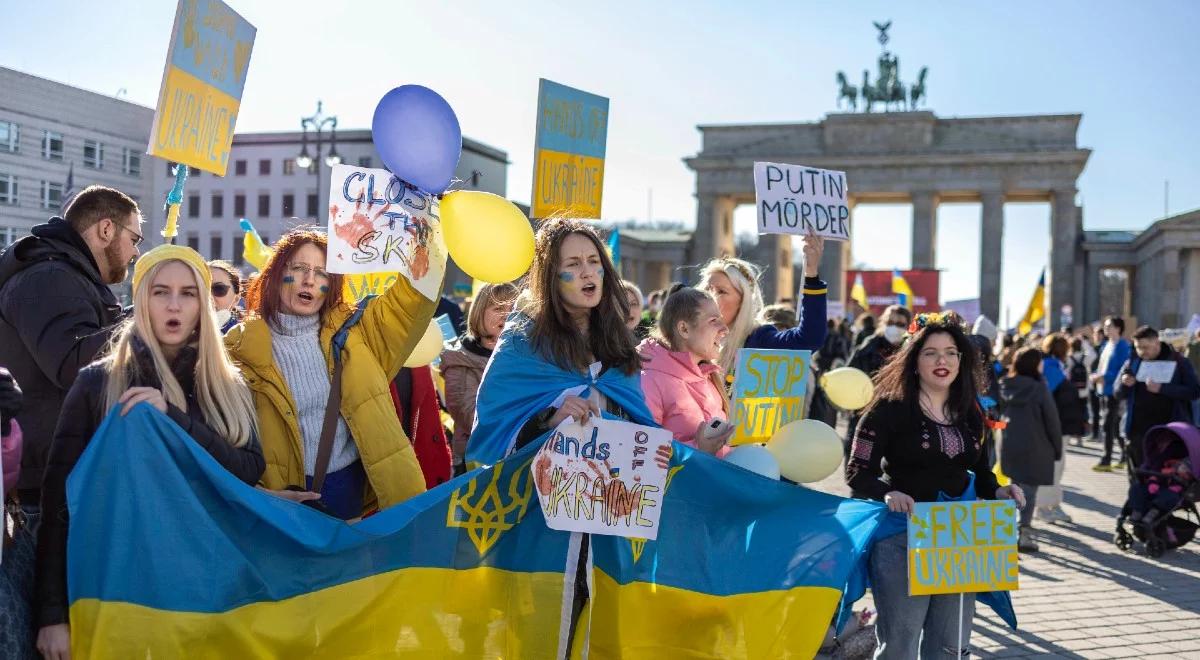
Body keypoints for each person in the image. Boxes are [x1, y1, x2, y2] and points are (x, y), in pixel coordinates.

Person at [35, 245, 264, 659]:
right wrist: (52, 615)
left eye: (188, 293)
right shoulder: (97, 383)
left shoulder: (230, 385)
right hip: (123, 594)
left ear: (202, 303)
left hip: (212, 596)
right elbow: (60, 505)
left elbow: (247, 471)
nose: (174, 305)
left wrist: (173, 421)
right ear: (142, 300)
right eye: (160, 292)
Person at [466, 218, 667, 652]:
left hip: (610, 524)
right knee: (540, 628)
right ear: (550, 276)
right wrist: (547, 418)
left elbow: (639, 422)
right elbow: (493, 426)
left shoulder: (617, 340)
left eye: (594, 262)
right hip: (542, 526)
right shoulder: (522, 340)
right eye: (573, 264)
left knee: (601, 626)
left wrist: (658, 450)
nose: (588, 272)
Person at [0, 185, 140, 657]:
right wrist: (146, 322)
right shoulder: (46, 277)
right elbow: (73, 361)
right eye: (134, 239)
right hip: (40, 497)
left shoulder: (66, 276)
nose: (136, 251)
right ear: (106, 230)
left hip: (58, 486)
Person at [845, 311, 1024, 657]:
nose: (942, 361)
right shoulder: (886, 410)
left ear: (962, 361)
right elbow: (856, 471)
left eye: (950, 353)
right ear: (914, 361)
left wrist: (1001, 490)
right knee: (900, 642)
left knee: (951, 642)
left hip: (958, 538)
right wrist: (888, 493)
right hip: (903, 536)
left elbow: (982, 472)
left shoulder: (971, 412)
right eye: (931, 353)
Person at [225, 229, 435, 520]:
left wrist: (427, 236)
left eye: (322, 273)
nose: (310, 279)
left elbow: (411, 301)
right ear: (276, 273)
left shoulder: (357, 331)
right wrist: (262, 496)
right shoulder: (237, 348)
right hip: (281, 513)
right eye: (299, 268)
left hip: (351, 507)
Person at [698, 234, 827, 376]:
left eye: (721, 292)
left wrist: (811, 273)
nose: (710, 297)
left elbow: (808, 339)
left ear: (743, 302)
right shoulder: (691, 339)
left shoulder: (759, 340)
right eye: (707, 289)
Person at [640, 287, 733, 457]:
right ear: (684, 329)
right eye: (714, 320)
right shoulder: (650, 379)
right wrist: (698, 449)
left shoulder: (710, 377)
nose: (725, 329)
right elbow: (642, 452)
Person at [441, 282, 517, 474]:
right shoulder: (458, 360)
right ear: (479, 312)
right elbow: (470, 417)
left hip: (520, 458)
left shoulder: (526, 355)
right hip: (476, 463)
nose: (507, 314)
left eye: (513, 308)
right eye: (498, 308)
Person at [998, 347, 1062, 552]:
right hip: (1036, 445)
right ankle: (1023, 531)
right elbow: (1051, 420)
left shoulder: (1005, 385)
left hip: (1009, 443)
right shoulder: (1039, 388)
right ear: (1035, 365)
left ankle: (1009, 530)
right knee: (1029, 491)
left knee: (1013, 486)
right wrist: (1057, 447)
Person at [1116, 326, 1200, 469]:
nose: (1142, 352)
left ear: (1157, 342)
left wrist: (1163, 388)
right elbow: (1117, 393)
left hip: (1169, 433)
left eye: (1145, 347)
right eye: (1138, 348)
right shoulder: (1132, 362)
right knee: (1139, 479)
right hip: (1137, 433)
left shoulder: (1179, 362)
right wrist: (1124, 383)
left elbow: (1194, 392)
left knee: (1164, 478)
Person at [1092, 317, 1132, 471]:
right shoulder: (1107, 345)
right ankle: (1124, 455)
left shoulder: (1123, 346)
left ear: (1118, 328)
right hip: (1103, 389)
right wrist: (1095, 375)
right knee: (1113, 426)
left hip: (1114, 390)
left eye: (1109, 326)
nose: (1106, 329)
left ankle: (1106, 459)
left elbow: (1123, 369)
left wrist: (1105, 377)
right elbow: (1101, 366)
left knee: (1108, 425)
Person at [208, 259, 243, 333]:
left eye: (219, 289)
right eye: (201, 289)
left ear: (236, 299)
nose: (209, 297)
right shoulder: (181, 333)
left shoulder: (246, 338)